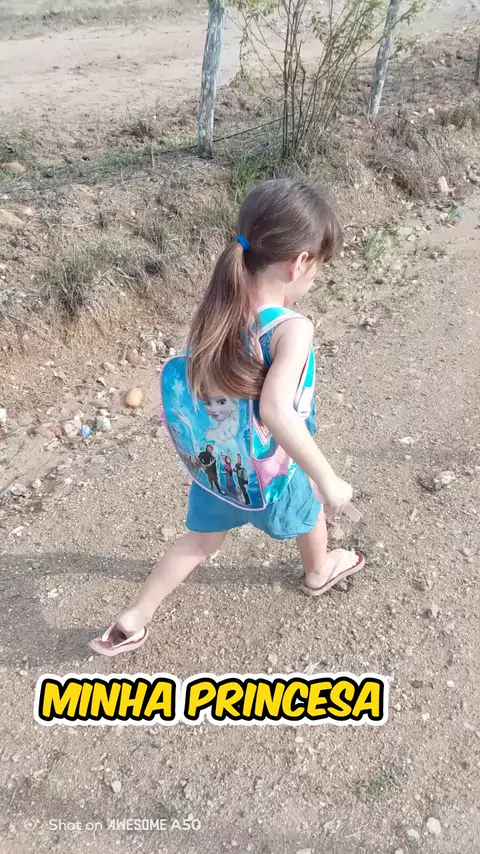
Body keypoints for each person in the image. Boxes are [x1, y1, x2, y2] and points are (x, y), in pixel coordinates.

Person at [90, 178, 364, 656]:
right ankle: (319, 571)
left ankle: (133, 619)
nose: (314, 278)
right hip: (271, 473)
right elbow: (276, 411)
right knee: (310, 512)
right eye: (318, 267)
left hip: (221, 470)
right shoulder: (291, 329)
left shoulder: (218, 311)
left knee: (198, 542)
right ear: (299, 262)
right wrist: (327, 477)